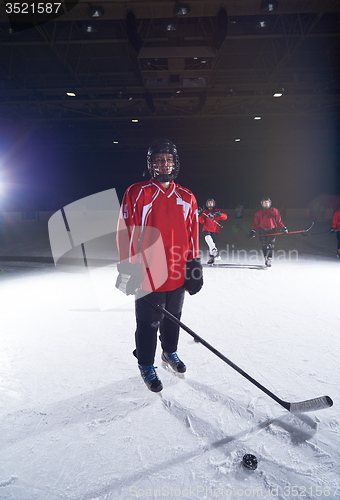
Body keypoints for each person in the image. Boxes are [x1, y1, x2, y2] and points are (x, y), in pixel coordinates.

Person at [115, 139, 203, 392]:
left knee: (173, 318)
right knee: (148, 322)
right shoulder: (137, 192)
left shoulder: (187, 196)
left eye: (169, 159)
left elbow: (192, 233)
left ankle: (169, 353)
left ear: (175, 163)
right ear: (151, 164)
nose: (164, 164)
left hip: (177, 271)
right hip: (148, 273)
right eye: (158, 160)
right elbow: (125, 231)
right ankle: (145, 364)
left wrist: (194, 265)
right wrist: (127, 268)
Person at [247, 197, 288, 267]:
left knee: (271, 244)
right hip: (262, 230)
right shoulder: (258, 213)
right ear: (262, 204)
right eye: (264, 202)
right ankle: (266, 257)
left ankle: (269, 258)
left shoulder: (274, 211)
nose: (266, 204)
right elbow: (255, 224)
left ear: (270, 203)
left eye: (267, 202)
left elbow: (278, 221)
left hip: (272, 230)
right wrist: (253, 231)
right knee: (264, 244)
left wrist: (283, 228)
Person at [198, 199, 227, 265]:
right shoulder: (205, 211)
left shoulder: (217, 210)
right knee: (208, 239)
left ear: (213, 204)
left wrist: (219, 214)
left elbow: (225, 217)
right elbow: (202, 221)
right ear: (206, 204)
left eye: (211, 203)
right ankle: (215, 250)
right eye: (209, 203)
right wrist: (199, 215)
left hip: (215, 230)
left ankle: (212, 257)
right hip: (206, 228)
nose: (210, 204)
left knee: (211, 244)